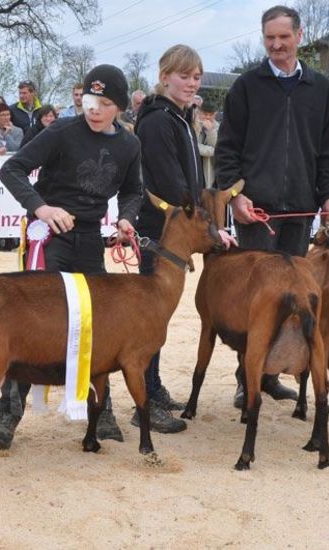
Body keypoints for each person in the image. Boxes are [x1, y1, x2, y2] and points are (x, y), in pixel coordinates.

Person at [0, 64, 142, 450]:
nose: (94, 109)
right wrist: (42, 208)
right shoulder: (61, 130)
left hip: (90, 241)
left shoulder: (130, 145)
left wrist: (125, 218)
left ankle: (101, 410)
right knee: (31, 324)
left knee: (98, 324)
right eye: (89, 100)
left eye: (104, 103)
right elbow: (12, 169)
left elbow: (134, 191)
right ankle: (8, 411)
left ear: (118, 106)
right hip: (49, 238)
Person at [214, 5, 329, 405]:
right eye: (269, 38)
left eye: (283, 37)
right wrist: (235, 195)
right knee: (255, 303)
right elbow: (227, 149)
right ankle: (245, 379)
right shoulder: (247, 86)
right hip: (257, 215)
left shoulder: (320, 89)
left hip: (300, 213)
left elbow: (327, 152)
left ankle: (269, 377)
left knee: (290, 300)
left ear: (299, 36)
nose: (276, 45)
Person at [134, 44, 207, 433]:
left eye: (196, 77)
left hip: (174, 230)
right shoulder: (159, 120)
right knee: (150, 318)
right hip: (158, 230)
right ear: (165, 76)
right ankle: (143, 399)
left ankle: (154, 386)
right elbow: (168, 179)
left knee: (160, 315)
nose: (192, 83)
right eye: (184, 75)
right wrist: (196, 218)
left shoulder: (179, 116)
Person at [195, 100, 219, 187]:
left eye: (211, 115)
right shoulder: (192, 125)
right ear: (199, 112)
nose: (208, 117)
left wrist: (211, 131)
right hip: (194, 166)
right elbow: (193, 146)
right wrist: (212, 151)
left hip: (209, 170)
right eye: (205, 114)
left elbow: (218, 147)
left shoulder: (218, 127)